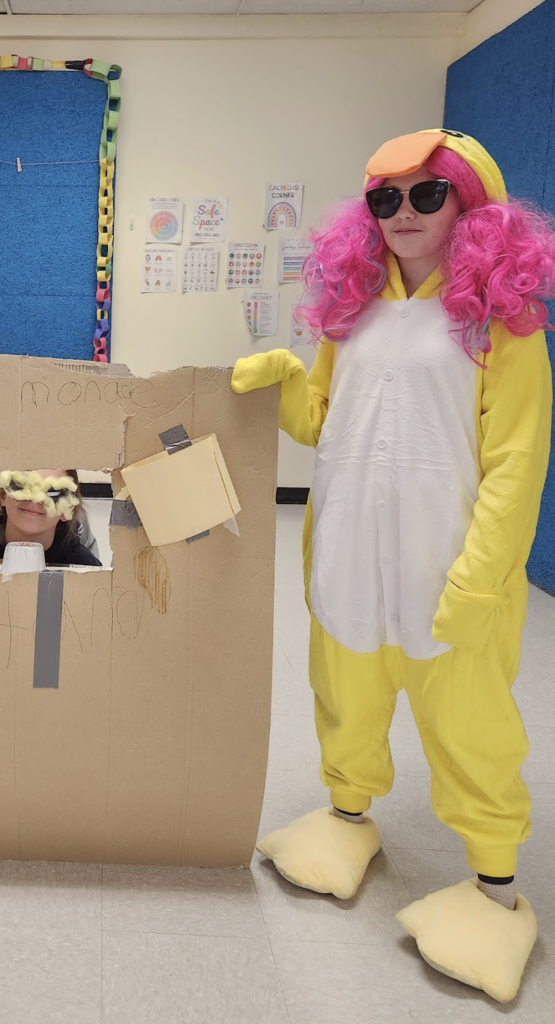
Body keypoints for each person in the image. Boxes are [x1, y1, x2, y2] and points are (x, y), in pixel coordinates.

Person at [231, 129, 554, 1002]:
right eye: (384, 198)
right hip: (349, 554)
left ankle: (494, 887)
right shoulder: (355, 306)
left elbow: (519, 461)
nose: (401, 214)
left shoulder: (502, 318)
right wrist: (285, 382)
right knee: (347, 697)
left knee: (471, 726)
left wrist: (480, 580)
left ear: (469, 205)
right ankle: (347, 816)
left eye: (425, 195)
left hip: (450, 573)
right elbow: (325, 419)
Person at [0, 469, 102, 567]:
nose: (35, 500)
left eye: (52, 492)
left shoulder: (84, 566)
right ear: (3, 495)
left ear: (68, 508)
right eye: (23, 487)